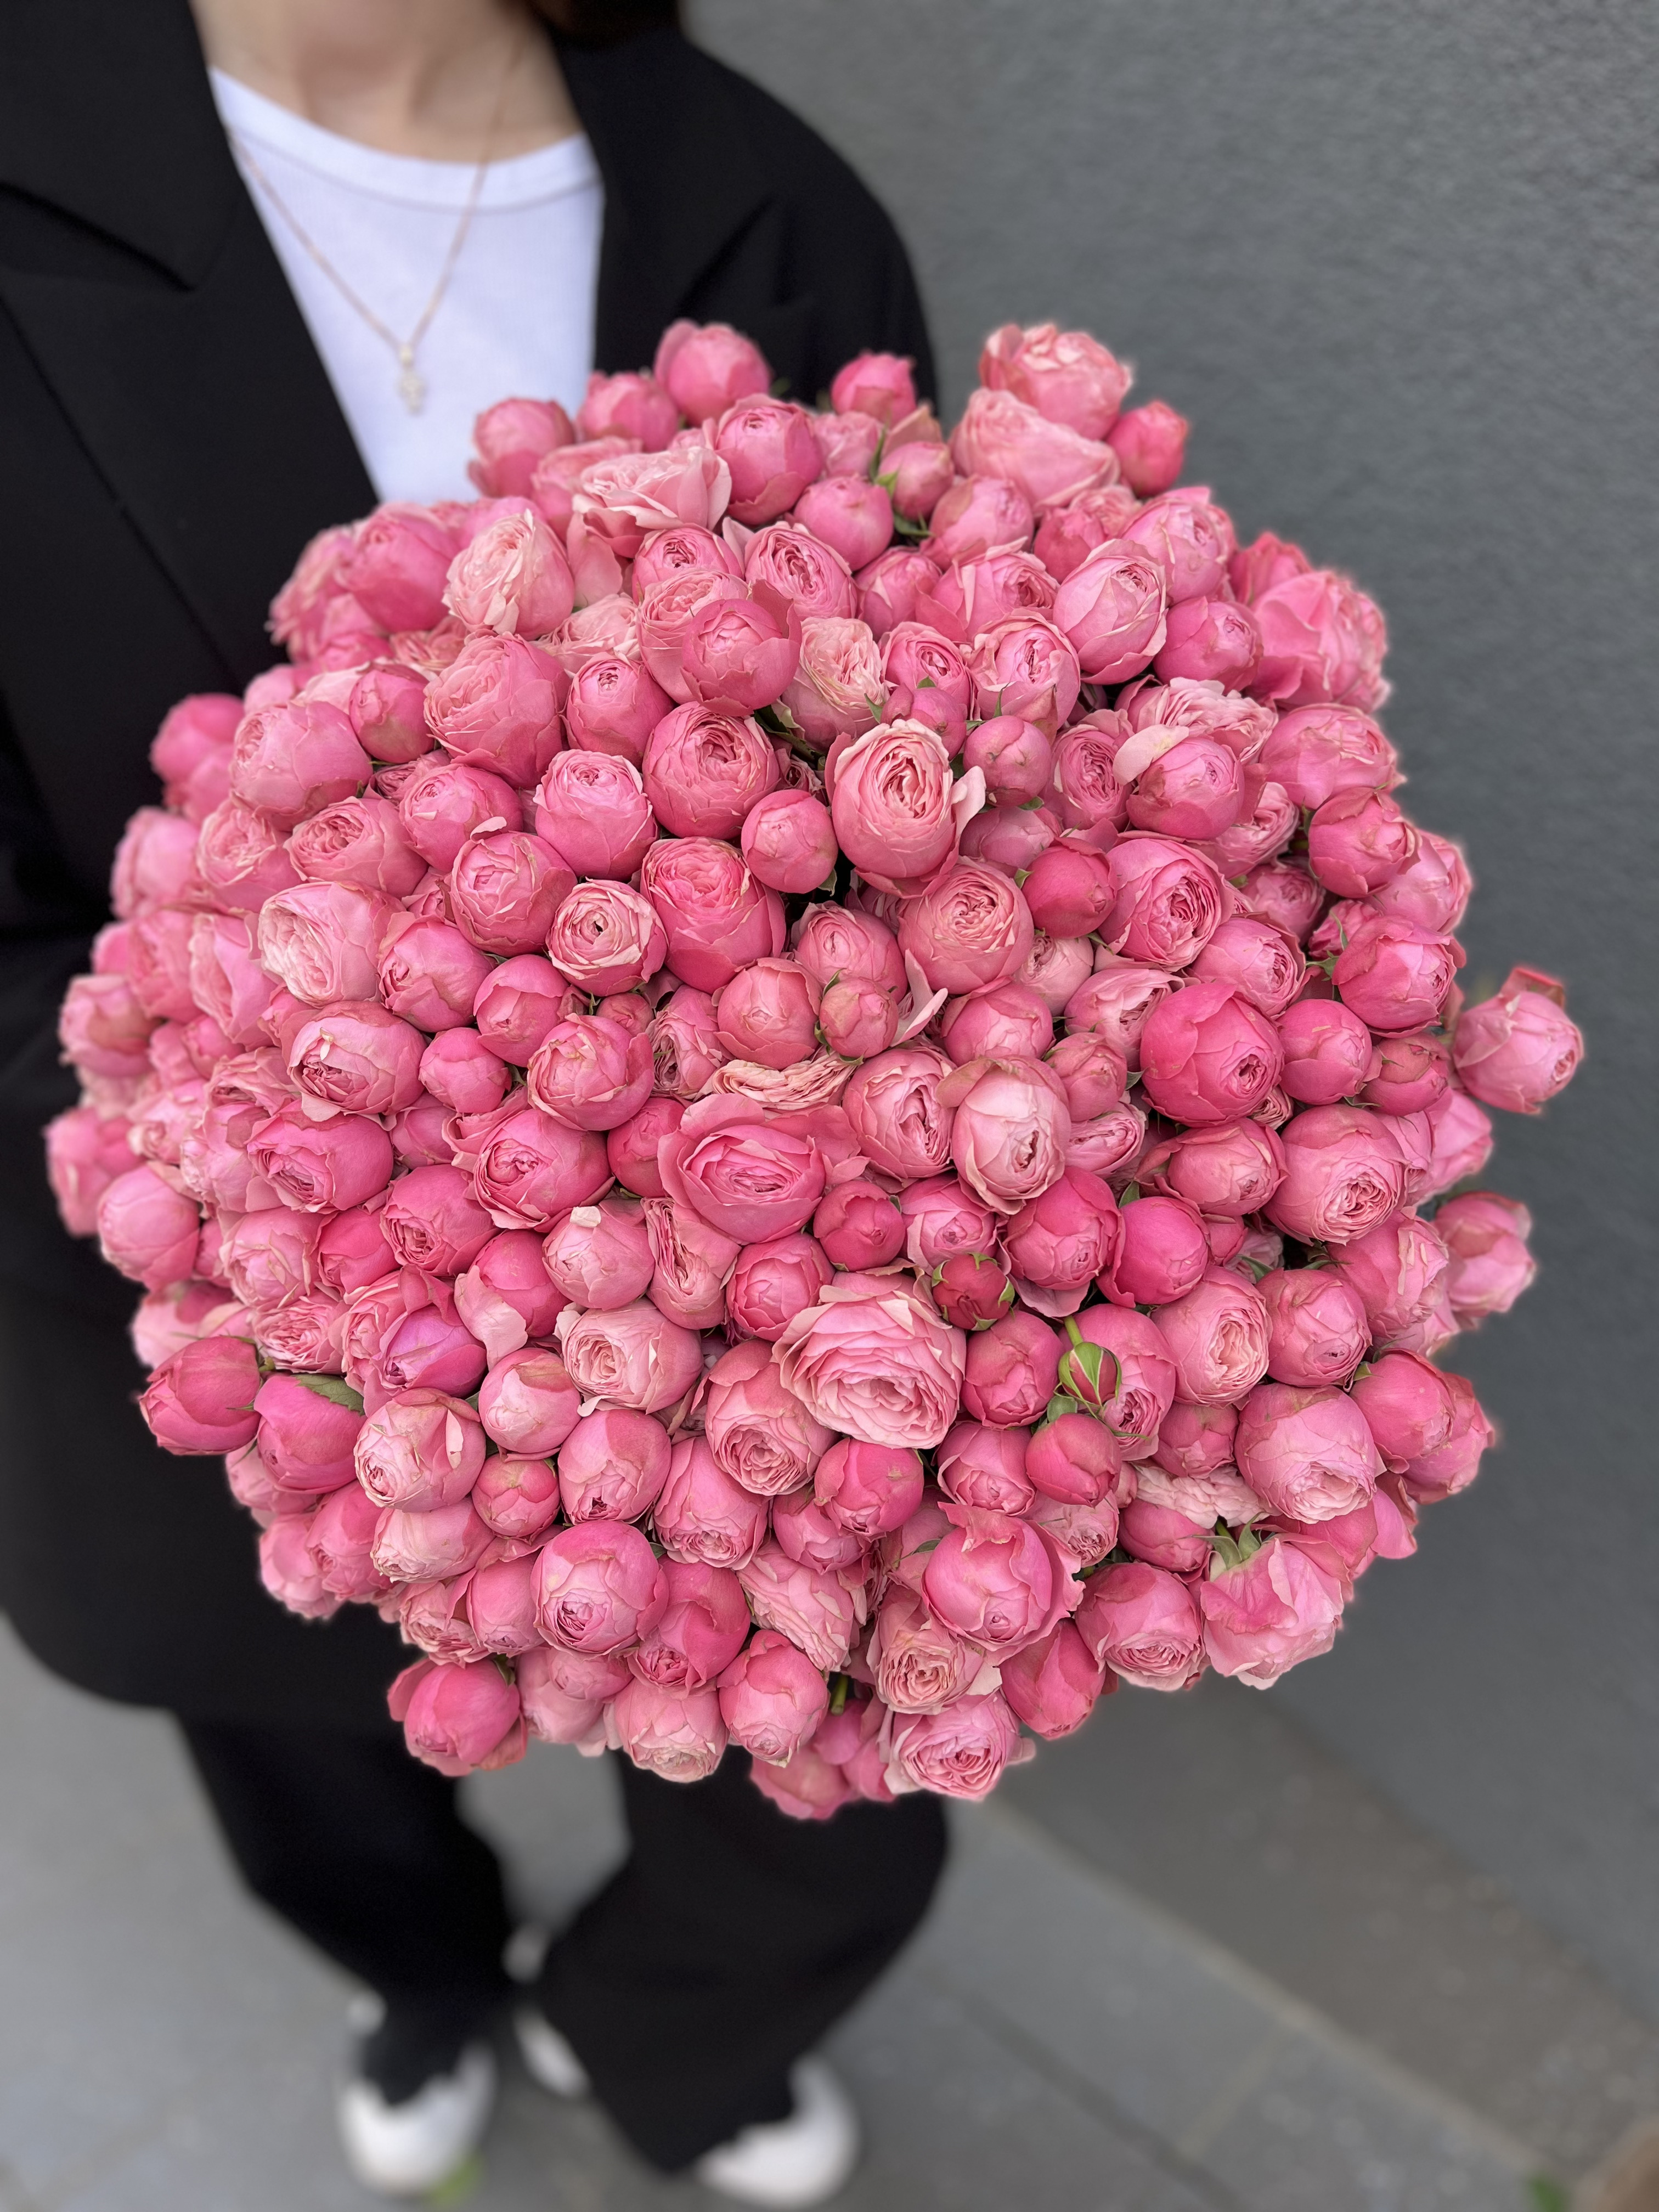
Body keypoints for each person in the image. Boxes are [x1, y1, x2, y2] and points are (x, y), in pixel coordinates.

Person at [0, 0, 946, 2198]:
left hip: (768, 1328)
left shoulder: (771, 206)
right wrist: (273, 1154)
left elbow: (924, 681)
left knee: (822, 1802)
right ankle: (421, 1971)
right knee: (310, 1743)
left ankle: (655, 2032)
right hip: (192, 1300)